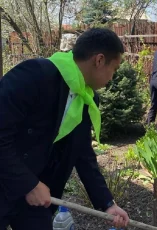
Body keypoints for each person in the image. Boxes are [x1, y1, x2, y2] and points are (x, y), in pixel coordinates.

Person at [0, 28, 129, 229]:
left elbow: (83, 153)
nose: (112, 77)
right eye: (114, 68)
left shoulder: (87, 98)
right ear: (99, 60)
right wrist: (28, 184)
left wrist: (107, 204)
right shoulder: (34, 75)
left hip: (36, 196)